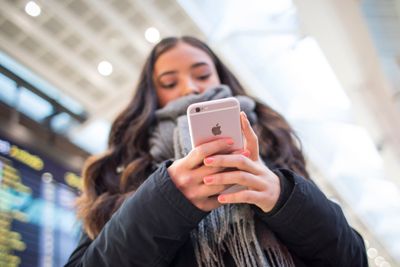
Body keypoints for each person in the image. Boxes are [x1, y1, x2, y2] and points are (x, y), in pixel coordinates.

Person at [65, 36, 368, 267]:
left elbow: (352, 258)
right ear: (151, 96)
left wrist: (283, 196)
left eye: (202, 74)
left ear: (223, 79)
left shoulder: (276, 154)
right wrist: (166, 198)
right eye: (169, 82)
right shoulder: (122, 175)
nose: (190, 88)